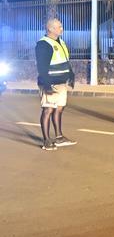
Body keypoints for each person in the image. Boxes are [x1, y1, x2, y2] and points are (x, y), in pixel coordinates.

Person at [35, 18, 77, 150]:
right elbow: (42, 67)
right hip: (50, 83)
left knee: (59, 108)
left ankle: (59, 137)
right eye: (59, 27)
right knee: (48, 109)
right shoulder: (43, 44)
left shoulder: (61, 42)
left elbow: (65, 60)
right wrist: (46, 86)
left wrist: (71, 75)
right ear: (50, 29)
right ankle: (46, 141)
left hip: (61, 83)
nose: (61, 29)